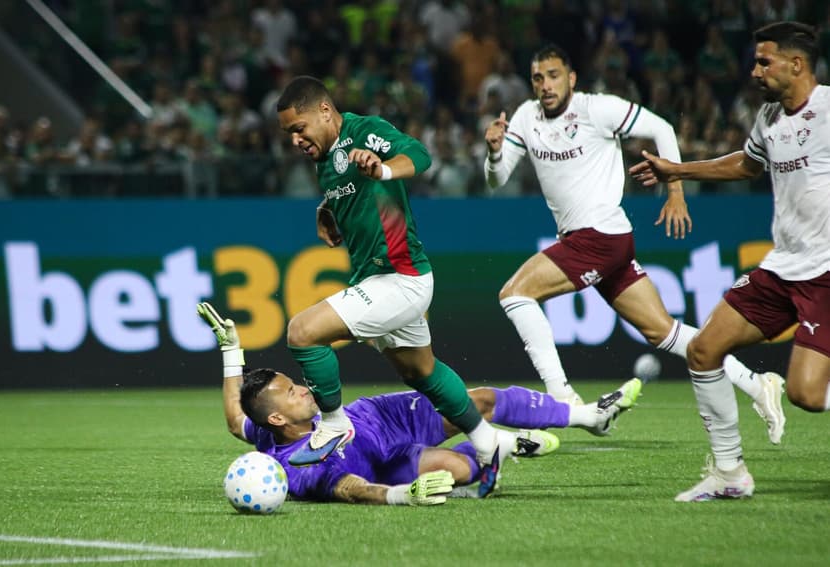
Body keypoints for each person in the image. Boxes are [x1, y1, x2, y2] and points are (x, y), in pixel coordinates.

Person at [482, 43, 786, 443]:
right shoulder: (525, 116)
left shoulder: (596, 109)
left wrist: (675, 189)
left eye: (554, 75)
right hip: (598, 241)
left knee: (515, 294)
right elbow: (497, 179)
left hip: (599, 236)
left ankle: (563, 399)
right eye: (539, 78)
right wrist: (493, 152)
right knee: (665, 332)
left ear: (571, 78)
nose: (546, 85)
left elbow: (662, 127)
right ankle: (756, 383)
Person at [629, 21, 829, 502]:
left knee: (805, 393)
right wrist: (678, 170)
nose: (755, 69)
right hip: (782, 268)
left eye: (765, 61)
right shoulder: (768, 116)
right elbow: (746, 164)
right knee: (703, 351)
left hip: (826, 273)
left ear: (795, 64)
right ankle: (729, 473)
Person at [275, 76, 504, 485]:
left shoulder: (366, 131)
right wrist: (328, 210)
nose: (295, 140)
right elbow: (347, 191)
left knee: (303, 332)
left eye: (299, 128)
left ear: (325, 112)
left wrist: (382, 169)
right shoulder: (323, 159)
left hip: (400, 277)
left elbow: (418, 155)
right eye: (289, 133)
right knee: (421, 372)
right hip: (381, 279)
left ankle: (332, 424)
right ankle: (488, 444)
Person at [198, 301, 640, 505]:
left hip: (379, 417)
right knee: (463, 471)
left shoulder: (261, 431)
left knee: (477, 401)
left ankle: (588, 416)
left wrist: (231, 352)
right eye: (292, 391)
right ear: (277, 418)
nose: (303, 388)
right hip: (385, 464)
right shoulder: (298, 466)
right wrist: (400, 496)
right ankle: (502, 447)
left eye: (296, 382)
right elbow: (352, 490)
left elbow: (236, 418)